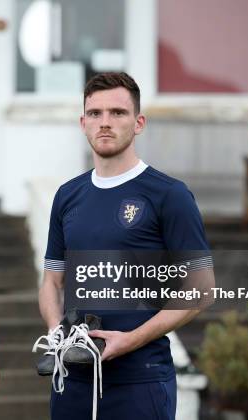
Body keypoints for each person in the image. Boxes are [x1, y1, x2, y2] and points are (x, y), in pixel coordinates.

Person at [36, 72, 214, 420]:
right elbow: (52, 282)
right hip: (72, 380)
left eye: (117, 113)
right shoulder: (67, 196)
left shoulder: (169, 195)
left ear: (138, 122)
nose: (105, 123)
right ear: (83, 122)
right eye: (95, 113)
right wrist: (55, 330)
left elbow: (201, 289)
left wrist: (130, 340)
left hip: (140, 381)